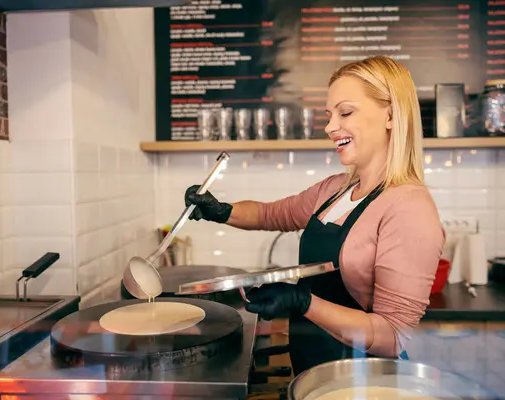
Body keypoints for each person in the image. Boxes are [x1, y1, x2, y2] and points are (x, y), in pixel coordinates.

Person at [184, 56, 445, 376]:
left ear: (390, 115)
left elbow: (392, 336)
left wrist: (303, 301)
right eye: (329, 115)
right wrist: (220, 210)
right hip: (314, 372)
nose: (330, 127)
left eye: (345, 112)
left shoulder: (408, 207)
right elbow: (270, 214)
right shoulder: (335, 189)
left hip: (363, 384)